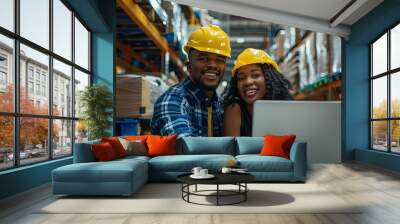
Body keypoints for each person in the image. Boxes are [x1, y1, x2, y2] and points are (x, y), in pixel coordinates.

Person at [151, 25, 231, 138]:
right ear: (189, 67)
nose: (213, 65)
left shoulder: (218, 106)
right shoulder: (173, 101)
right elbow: (185, 146)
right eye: (203, 59)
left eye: (219, 60)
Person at [223, 48, 291, 137]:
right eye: (241, 78)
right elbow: (231, 150)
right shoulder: (234, 110)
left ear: (268, 78)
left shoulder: (285, 107)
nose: (248, 82)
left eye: (255, 75)